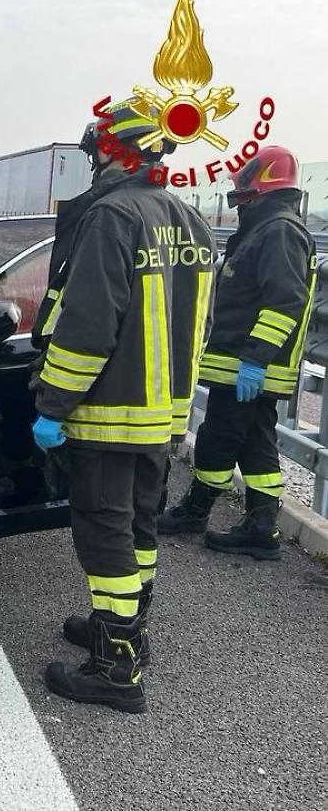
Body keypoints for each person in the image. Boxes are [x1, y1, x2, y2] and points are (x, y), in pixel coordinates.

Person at [31, 100, 216, 712]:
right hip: (162, 416)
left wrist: (53, 405)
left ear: (116, 150)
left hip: (109, 412)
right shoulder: (190, 220)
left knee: (104, 534)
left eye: (97, 151)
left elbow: (86, 326)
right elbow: (198, 322)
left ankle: (116, 670)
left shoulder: (112, 216)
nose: (94, 162)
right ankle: (127, 630)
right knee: (138, 530)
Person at [158, 146, 315, 560]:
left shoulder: (277, 230)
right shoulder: (271, 227)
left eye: (245, 188)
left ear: (261, 185)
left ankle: (195, 511)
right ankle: (261, 527)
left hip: (246, 365)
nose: (238, 196)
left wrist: (254, 359)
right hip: (250, 366)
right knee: (256, 442)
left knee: (218, 438)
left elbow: (285, 301)